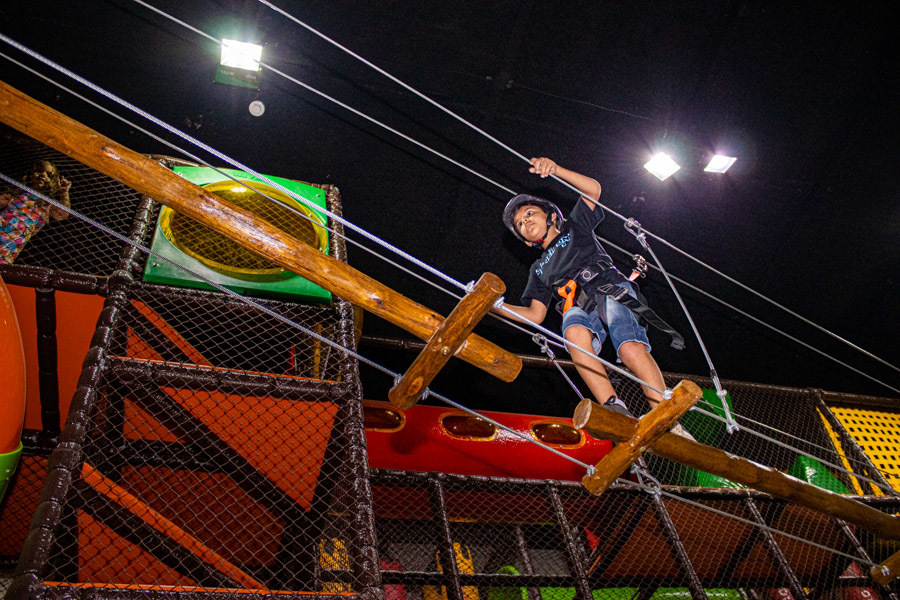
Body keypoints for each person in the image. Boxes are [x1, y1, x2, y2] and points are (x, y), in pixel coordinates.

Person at [499, 157, 693, 439]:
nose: (525, 221)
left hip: (608, 287)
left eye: (529, 213)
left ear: (551, 215)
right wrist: (496, 307)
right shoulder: (538, 269)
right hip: (578, 304)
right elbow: (535, 315)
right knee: (573, 330)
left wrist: (556, 170)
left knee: (628, 349)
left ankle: (666, 414)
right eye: (519, 224)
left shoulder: (574, 227)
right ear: (526, 241)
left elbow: (593, 190)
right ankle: (614, 406)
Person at [0, 160, 71, 264]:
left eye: (49, 175)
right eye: (40, 171)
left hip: (11, 244)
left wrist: (64, 193)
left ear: (53, 182)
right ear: (31, 175)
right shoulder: (16, 194)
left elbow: (62, 214)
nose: (43, 175)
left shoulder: (47, 204)